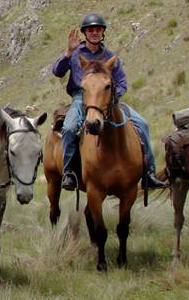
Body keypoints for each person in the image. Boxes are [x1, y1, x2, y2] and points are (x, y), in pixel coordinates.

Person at [49, 13, 164, 191]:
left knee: (143, 123)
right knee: (70, 127)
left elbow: (122, 83)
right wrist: (68, 53)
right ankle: (69, 172)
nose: (95, 32)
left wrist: (113, 96)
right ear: (85, 33)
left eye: (98, 29)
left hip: (108, 98)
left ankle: (149, 173)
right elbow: (57, 72)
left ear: (103, 33)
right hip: (82, 97)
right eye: (91, 30)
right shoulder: (76, 54)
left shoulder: (110, 57)